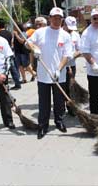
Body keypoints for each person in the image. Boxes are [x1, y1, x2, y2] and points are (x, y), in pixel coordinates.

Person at [27, 7, 73, 139]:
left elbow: (67, 55)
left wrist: (58, 69)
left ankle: (59, 122)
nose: (57, 20)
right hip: (43, 74)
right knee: (44, 102)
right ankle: (43, 125)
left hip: (59, 75)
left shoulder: (65, 35)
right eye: (54, 17)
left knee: (59, 102)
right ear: (50, 18)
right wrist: (34, 48)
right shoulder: (40, 32)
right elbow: (28, 43)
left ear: (62, 19)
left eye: (59, 18)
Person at [0, 28, 16, 129]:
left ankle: (8, 121)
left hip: (1, 75)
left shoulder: (1, 40)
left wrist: (4, 73)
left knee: (5, 99)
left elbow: (9, 57)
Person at [63, 16, 81, 116]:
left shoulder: (76, 35)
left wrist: (72, 56)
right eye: (68, 28)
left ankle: (70, 107)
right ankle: (61, 106)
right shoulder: (60, 34)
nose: (70, 30)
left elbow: (80, 50)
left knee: (70, 87)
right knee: (61, 87)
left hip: (72, 65)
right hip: (61, 66)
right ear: (64, 25)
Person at [0, 18, 21, 90]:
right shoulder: (9, 33)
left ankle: (4, 83)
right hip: (9, 52)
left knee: (3, 69)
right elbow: (11, 43)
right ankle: (17, 83)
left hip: (1, 53)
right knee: (13, 69)